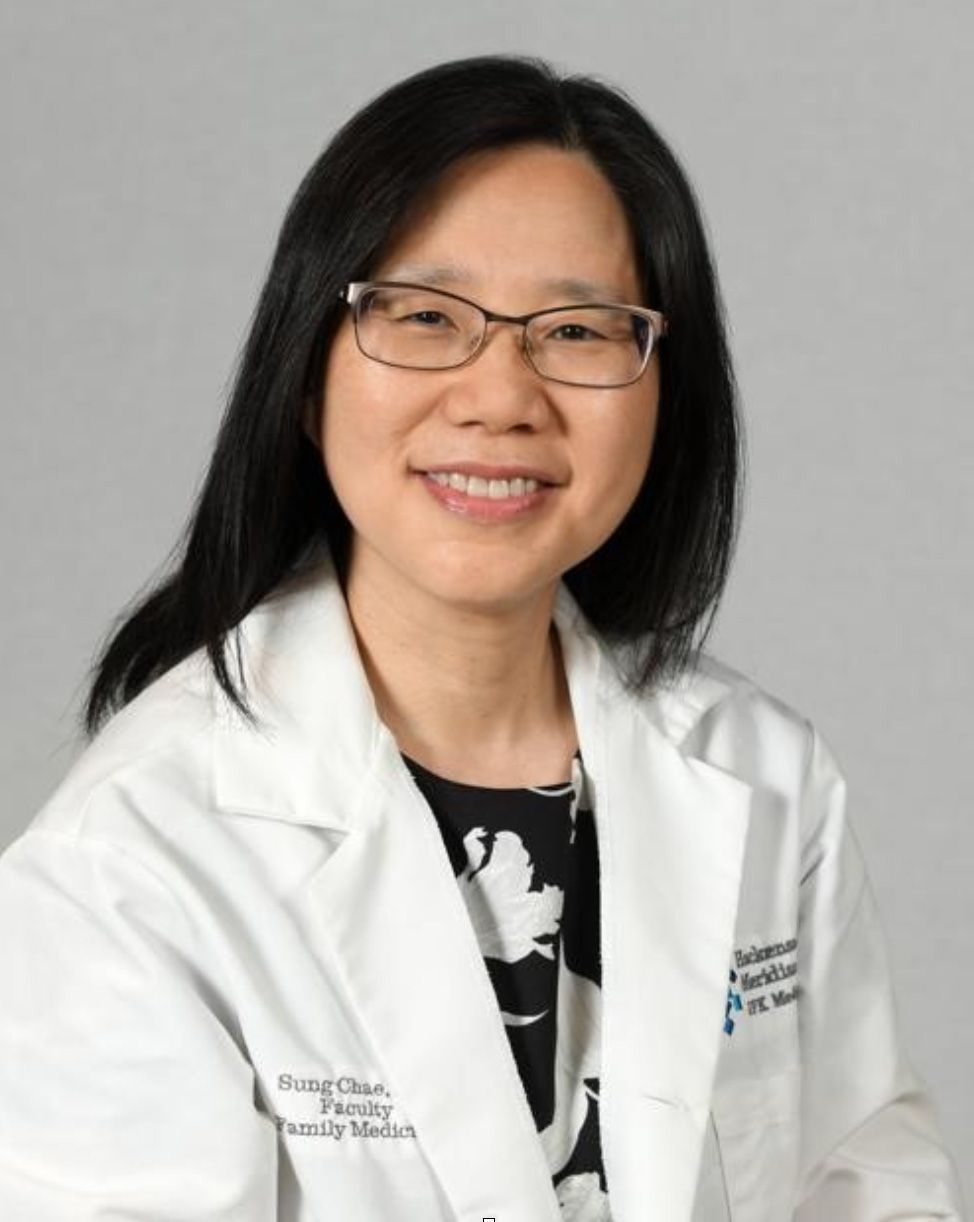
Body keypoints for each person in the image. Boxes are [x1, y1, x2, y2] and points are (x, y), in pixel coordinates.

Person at [0, 54, 963, 1222]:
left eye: (577, 329)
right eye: (425, 317)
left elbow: (868, 1182)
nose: (500, 397)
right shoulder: (135, 858)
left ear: (664, 392)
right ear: (305, 373)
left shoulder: (764, 777)